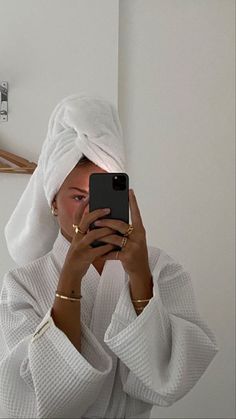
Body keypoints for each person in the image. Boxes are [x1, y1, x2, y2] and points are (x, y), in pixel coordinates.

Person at [0, 94, 219, 419]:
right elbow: (38, 394)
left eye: (102, 195)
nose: (92, 209)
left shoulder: (161, 268)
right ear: (54, 203)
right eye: (77, 196)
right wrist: (70, 279)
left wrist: (141, 278)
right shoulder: (22, 283)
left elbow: (171, 380)